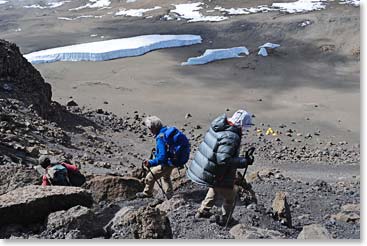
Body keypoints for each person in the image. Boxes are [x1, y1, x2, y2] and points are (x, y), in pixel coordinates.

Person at [186, 109, 254, 226]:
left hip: (211, 169)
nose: (244, 130)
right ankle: (225, 219)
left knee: (214, 188)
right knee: (231, 195)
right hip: (219, 172)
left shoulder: (222, 127)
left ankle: (202, 211)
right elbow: (223, 160)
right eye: (245, 127)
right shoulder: (231, 136)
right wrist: (244, 161)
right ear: (241, 124)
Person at [136, 116, 176, 199]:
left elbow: (162, 157)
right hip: (175, 159)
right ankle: (170, 196)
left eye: (149, 128)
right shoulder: (166, 130)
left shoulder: (160, 138)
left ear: (153, 128)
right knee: (166, 177)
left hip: (168, 162)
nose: (149, 130)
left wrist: (151, 163)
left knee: (150, 177)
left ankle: (147, 193)